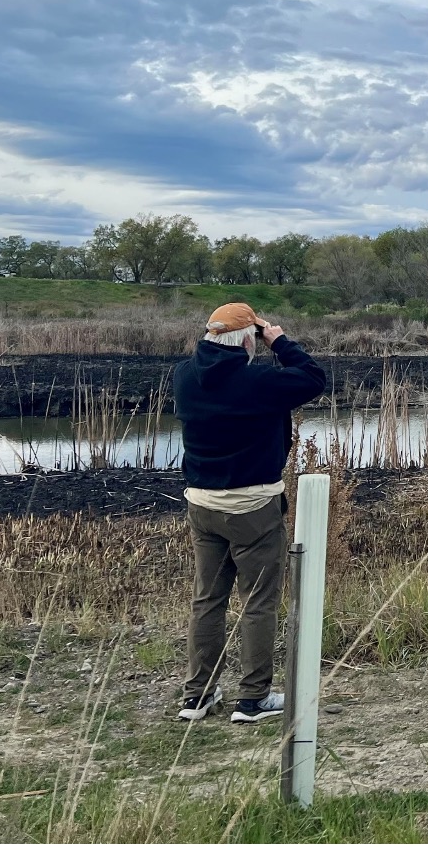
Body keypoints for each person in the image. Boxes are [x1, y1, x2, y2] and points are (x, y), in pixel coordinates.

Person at [172, 302, 327, 724]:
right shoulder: (258, 380)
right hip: (254, 506)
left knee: (207, 601)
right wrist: (280, 342)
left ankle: (197, 696)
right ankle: (253, 699)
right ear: (247, 341)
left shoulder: (183, 376)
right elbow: (314, 378)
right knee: (258, 602)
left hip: (202, 504)